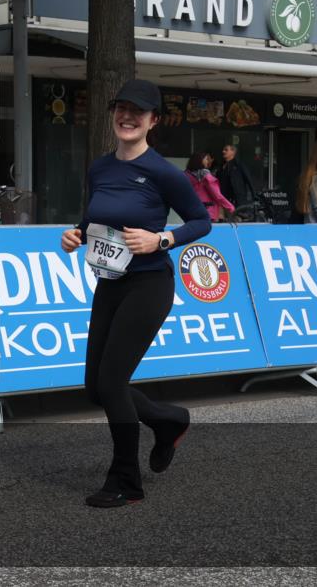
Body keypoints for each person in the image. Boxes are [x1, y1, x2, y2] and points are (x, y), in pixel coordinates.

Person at [60, 79, 211, 508]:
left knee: (111, 382)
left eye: (138, 112)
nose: (127, 117)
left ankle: (125, 481)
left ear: (153, 121)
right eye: (121, 109)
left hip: (149, 284)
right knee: (96, 386)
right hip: (110, 282)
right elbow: (92, 219)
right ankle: (169, 420)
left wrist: (161, 239)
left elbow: (202, 221)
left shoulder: (164, 172)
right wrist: (74, 235)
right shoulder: (100, 168)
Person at [185, 151, 234, 222]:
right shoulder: (205, 174)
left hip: (192, 210)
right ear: (200, 160)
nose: (207, 161)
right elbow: (217, 195)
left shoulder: (187, 174)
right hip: (207, 211)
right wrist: (230, 207)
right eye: (206, 159)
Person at [216, 143, 256, 208]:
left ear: (233, 152)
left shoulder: (239, 165)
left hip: (237, 199)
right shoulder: (221, 167)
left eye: (226, 150)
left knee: (237, 217)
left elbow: (249, 180)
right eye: (223, 150)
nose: (223, 151)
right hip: (224, 199)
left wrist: (254, 195)